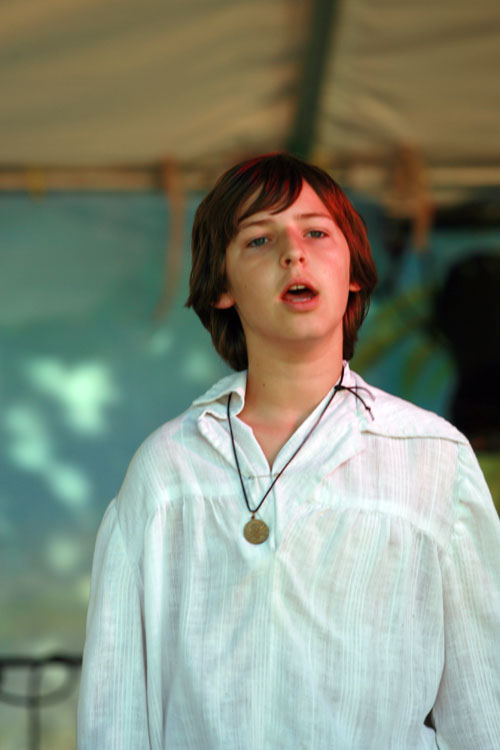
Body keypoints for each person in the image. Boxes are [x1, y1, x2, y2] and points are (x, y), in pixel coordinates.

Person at [77, 153, 500, 749]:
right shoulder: (169, 468)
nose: (293, 253)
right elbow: (116, 709)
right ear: (221, 286)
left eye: (316, 233)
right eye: (259, 239)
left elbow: (483, 706)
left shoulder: (432, 457)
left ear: (354, 273)